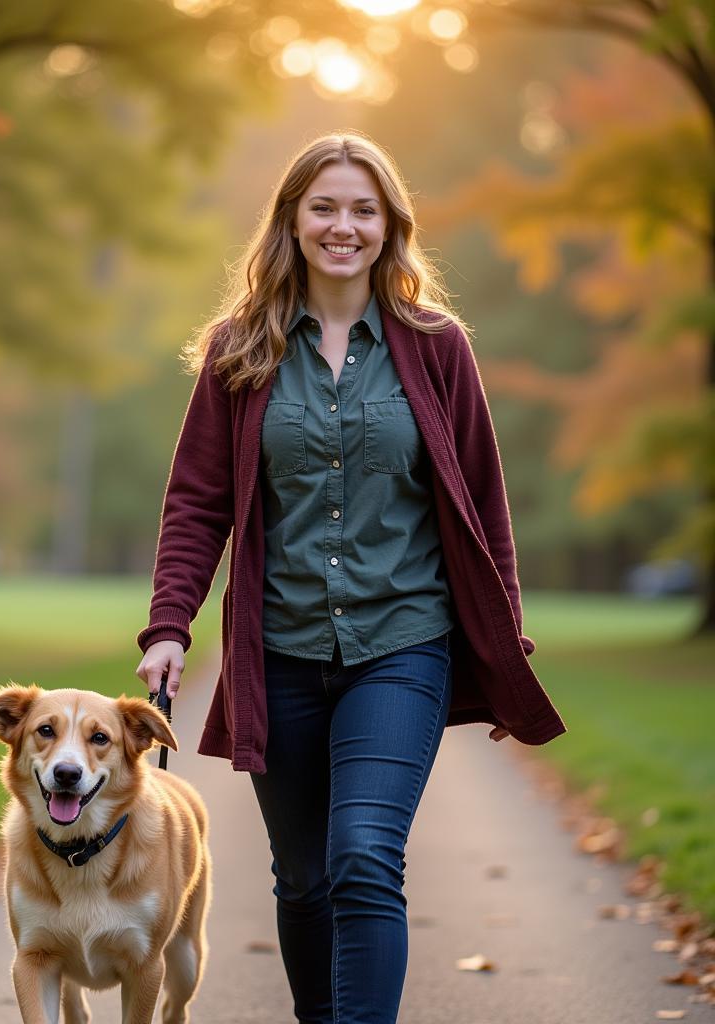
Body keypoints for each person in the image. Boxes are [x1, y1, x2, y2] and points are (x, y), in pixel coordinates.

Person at [134, 131, 565, 1024]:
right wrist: (170, 626)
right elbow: (196, 504)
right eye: (324, 207)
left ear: (389, 226)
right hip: (279, 652)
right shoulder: (237, 351)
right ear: (291, 221)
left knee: (365, 853)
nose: (344, 226)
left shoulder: (437, 347)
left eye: (363, 209)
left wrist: (504, 639)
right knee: (304, 879)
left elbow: (483, 500)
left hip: (402, 643)